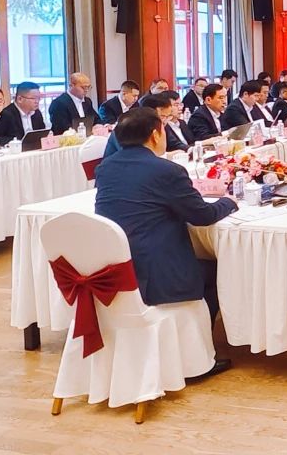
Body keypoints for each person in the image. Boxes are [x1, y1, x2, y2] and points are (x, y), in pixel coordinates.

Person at [95, 108, 239, 378]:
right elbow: (202, 216)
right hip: (157, 272)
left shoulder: (105, 168)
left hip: (117, 267)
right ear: (155, 135)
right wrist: (228, 202)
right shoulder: (167, 170)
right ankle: (193, 357)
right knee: (214, 268)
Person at [104, 93, 189, 157]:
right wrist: (166, 156)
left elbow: (173, 143)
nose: (165, 122)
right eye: (162, 116)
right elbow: (133, 157)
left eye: (168, 116)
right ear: (148, 112)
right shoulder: (128, 128)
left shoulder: (161, 124)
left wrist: (189, 149)